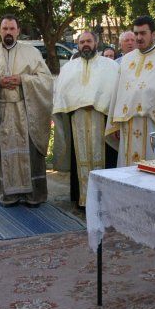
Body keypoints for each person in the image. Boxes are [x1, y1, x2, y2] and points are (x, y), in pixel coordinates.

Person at [0, 16, 53, 207]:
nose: (8, 32)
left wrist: (23, 80)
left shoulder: (31, 52)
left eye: (11, 28)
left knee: (31, 153)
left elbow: (46, 80)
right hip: (2, 113)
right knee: (5, 153)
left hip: (27, 112)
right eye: (5, 28)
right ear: (0, 31)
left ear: (18, 31)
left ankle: (33, 196)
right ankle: (9, 196)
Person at [106, 15, 155, 166]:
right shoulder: (127, 60)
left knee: (152, 169)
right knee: (127, 171)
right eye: (136, 33)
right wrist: (115, 123)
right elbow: (118, 92)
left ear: (153, 35)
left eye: (143, 33)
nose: (138, 37)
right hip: (128, 125)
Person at [52, 31, 118, 207]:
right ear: (78, 45)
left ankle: (104, 201)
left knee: (106, 159)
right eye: (82, 42)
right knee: (79, 159)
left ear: (96, 43)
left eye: (89, 41)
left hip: (101, 119)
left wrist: (97, 103)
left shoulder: (110, 66)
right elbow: (62, 93)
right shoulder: (69, 68)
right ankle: (82, 200)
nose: (85, 45)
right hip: (77, 119)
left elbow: (113, 92)